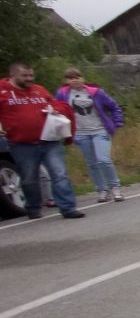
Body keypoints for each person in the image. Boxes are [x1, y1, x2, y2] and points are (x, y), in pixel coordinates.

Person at [1, 62, 84, 219]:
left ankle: (68, 207)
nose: (29, 79)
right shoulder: (3, 92)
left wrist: (56, 110)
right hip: (22, 144)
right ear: (13, 76)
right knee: (29, 179)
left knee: (59, 173)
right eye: (24, 76)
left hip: (49, 140)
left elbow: (56, 104)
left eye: (31, 75)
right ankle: (33, 207)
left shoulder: (39, 90)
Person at [57, 69, 125, 203]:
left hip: (99, 130)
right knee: (91, 163)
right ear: (66, 81)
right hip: (80, 133)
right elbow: (58, 109)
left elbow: (113, 106)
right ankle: (102, 190)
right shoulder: (63, 94)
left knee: (103, 159)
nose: (75, 80)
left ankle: (115, 186)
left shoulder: (95, 92)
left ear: (82, 78)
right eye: (71, 78)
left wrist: (116, 123)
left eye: (77, 77)